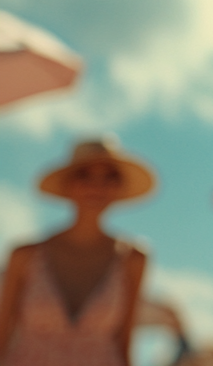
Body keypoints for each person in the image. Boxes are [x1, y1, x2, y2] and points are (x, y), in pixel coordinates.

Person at [0, 137, 153, 365]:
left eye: (108, 177)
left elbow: (125, 344)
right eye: (85, 176)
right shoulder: (25, 256)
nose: (96, 186)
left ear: (118, 187)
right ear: (68, 184)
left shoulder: (133, 259)